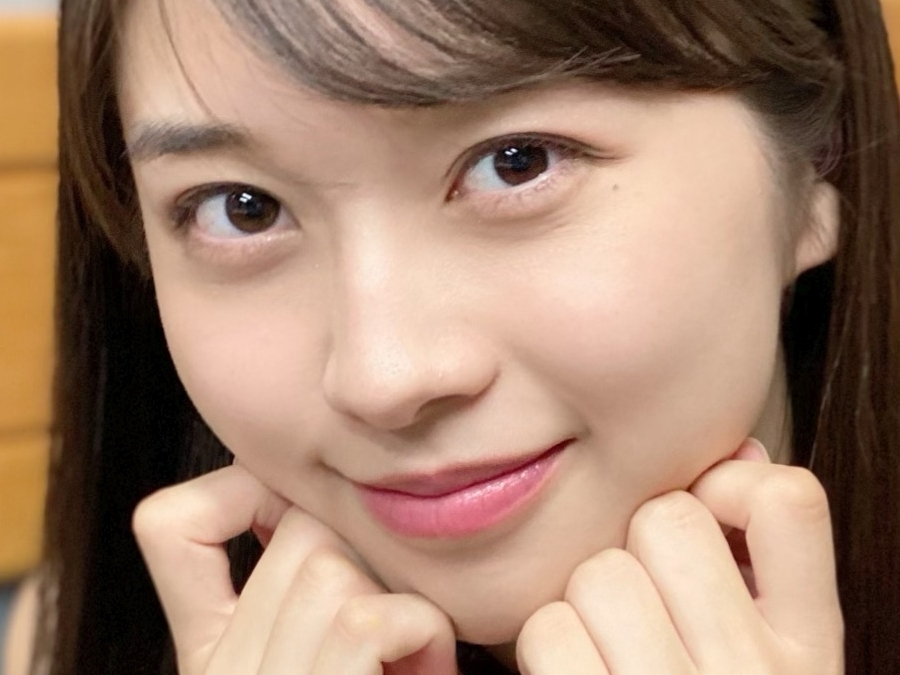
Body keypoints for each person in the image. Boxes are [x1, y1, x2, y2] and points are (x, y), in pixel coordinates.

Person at [9, 0, 900, 673]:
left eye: (518, 162)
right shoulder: (72, 632)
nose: (382, 375)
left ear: (815, 162)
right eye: (242, 209)